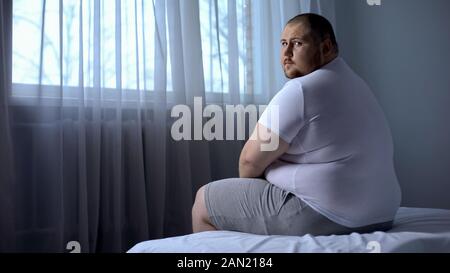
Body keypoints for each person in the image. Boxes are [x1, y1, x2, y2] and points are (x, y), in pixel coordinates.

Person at [191, 13, 401, 236]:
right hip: (382, 214)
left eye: (297, 43)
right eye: (283, 44)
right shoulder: (356, 84)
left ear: (327, 47)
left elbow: (248, 163)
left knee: (204, 200)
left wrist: (271, 169)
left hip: (329, 214)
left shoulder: (302, 89)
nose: (286, 53)